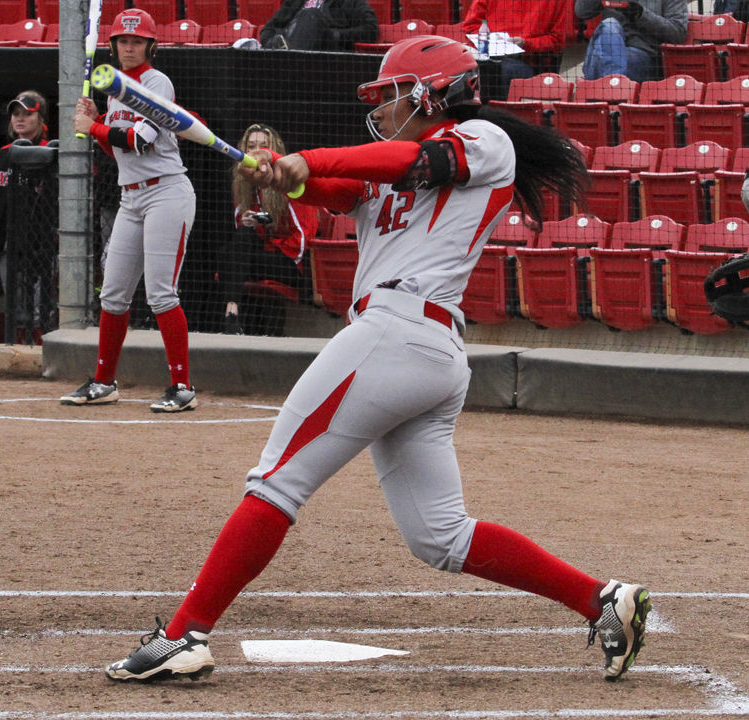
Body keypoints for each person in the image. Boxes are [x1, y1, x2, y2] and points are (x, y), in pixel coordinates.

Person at [104, 35, 652, 685]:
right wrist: (285, 174)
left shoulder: (480, 141)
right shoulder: (395, 164)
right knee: (440, 537)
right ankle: (600, 599)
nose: (383, 108)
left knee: (275, 481)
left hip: (400, 331)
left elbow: (404, 162)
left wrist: (300, 159)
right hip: (419, 347)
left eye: (392, 96)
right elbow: (338, 188)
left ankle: (183, 634)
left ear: (431, 92)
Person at [65, 9, 199, 413]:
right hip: (131, 196)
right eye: (123, 41)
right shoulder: (113, 87)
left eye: (137, 41)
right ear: (113, 45)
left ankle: (183, 387)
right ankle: (104, 381)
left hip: (166, 193)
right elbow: (115, 149)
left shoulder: (157, 82)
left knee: (160, 293)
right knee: (113, 294)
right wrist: (98, 121)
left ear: (149, 46)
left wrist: (94, 128)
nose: (129, 46)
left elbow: (140, 141)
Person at [220, 123, 320, 335]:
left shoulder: (290, 181)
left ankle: (232, 312)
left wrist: (272, 241)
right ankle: (233, 310)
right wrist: (250, 223)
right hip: (257, 257)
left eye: (263, 146)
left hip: (290, 262)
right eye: (251, 146)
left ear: (274, 150)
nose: (256, 151)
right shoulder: (243, 185)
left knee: (230, 258)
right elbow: (242, 235)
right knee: (236, 244)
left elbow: (304, 239)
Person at [0, 90, 50, 308]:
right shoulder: (2, 155)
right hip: (4, 245)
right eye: (16, 114)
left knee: (38, 308)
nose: (20, 118)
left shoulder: (50, 152)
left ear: (40, 118)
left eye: (27, 114)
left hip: (40, 246)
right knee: (14, 308)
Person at [461, 0, 570, 91]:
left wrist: (526, 44)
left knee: (500, 71)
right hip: (486, 56)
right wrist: (487, 41)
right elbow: (470, 27)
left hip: (527, 61)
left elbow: (557, 41)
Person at [575, 0, 688, 83]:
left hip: (642, 55)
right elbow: (582, 11)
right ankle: (614, 89)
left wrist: (639, 14)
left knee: (611, 56)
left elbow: (677, 33)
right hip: (603, 50)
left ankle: (610, 91)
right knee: (610, 25)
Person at [259, 0, 378, 51]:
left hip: (323, 58)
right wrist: (273, 41)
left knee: (311, 15)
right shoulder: (295, 1)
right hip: (287, 49)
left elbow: (370, 29)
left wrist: (332, 35)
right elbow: (269, 28)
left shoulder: (348, 1)